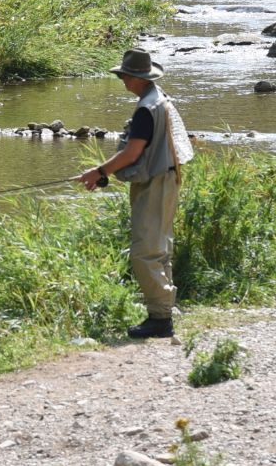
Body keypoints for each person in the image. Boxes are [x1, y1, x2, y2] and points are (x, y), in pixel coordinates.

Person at [77, 47, 194, 339]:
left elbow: (132, 153)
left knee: (145, 252)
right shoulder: (159, 98)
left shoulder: (146, 108)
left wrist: (99, 172)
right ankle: (164, 308)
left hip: (155, 182)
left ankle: (160, 319)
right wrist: (104, 173)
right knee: (160, 248)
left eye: (126, 76)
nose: (123, 81)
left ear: (139, 78)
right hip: (167, 178)